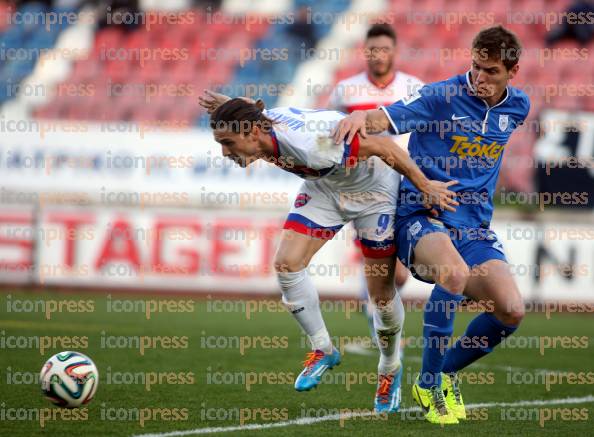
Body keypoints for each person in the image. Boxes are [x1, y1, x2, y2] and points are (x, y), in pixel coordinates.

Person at [199, 91, 458, 413]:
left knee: (380, 295)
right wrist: (230, 104)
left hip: (374, 192)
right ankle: (323, 349)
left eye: (228, 142)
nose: (225, 152)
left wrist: (425, 187)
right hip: (327, 189)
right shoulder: (259, 127)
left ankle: (389, 368)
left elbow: (385, 146)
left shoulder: (312, 145)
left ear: (251, 132)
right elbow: (254, 109)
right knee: (286, 263)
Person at [332, 25, 530, 425]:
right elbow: (386, 116)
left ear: (513, 71)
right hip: (421, 216)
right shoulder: (441, 96)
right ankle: (427, 383)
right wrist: (358, 121)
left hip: (474, 229)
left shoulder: (518, 108)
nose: (479, 78)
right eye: (475, 67)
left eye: (490, 71)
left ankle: (446, 373)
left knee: (510, 310)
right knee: (453, 274)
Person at [327, 23, 423, 351]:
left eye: (384, 49)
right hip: (364, 185)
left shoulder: (413, 87)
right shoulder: (345, 90)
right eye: (372, 50)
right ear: (365, 52)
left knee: (399, 276)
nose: (378, 55)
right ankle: (379, 317)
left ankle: (371, 302)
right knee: (383, 266)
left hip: (405, 182)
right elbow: (330, 134)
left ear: (394, 52)